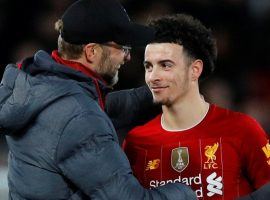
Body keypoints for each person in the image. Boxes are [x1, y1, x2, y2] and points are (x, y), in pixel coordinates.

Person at [0, 1, 197, 199]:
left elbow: (101, 109)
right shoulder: (79, 115)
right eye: (122, 47)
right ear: (91, 52)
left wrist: (162, 89)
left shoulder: (41, 85)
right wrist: (189, 191)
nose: (127, 57)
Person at [123, 14, 270, 200]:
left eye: (165, 65)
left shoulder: (242, 130)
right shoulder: (135, 143)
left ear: (195, 70)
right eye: (149, 67)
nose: (153, 77)